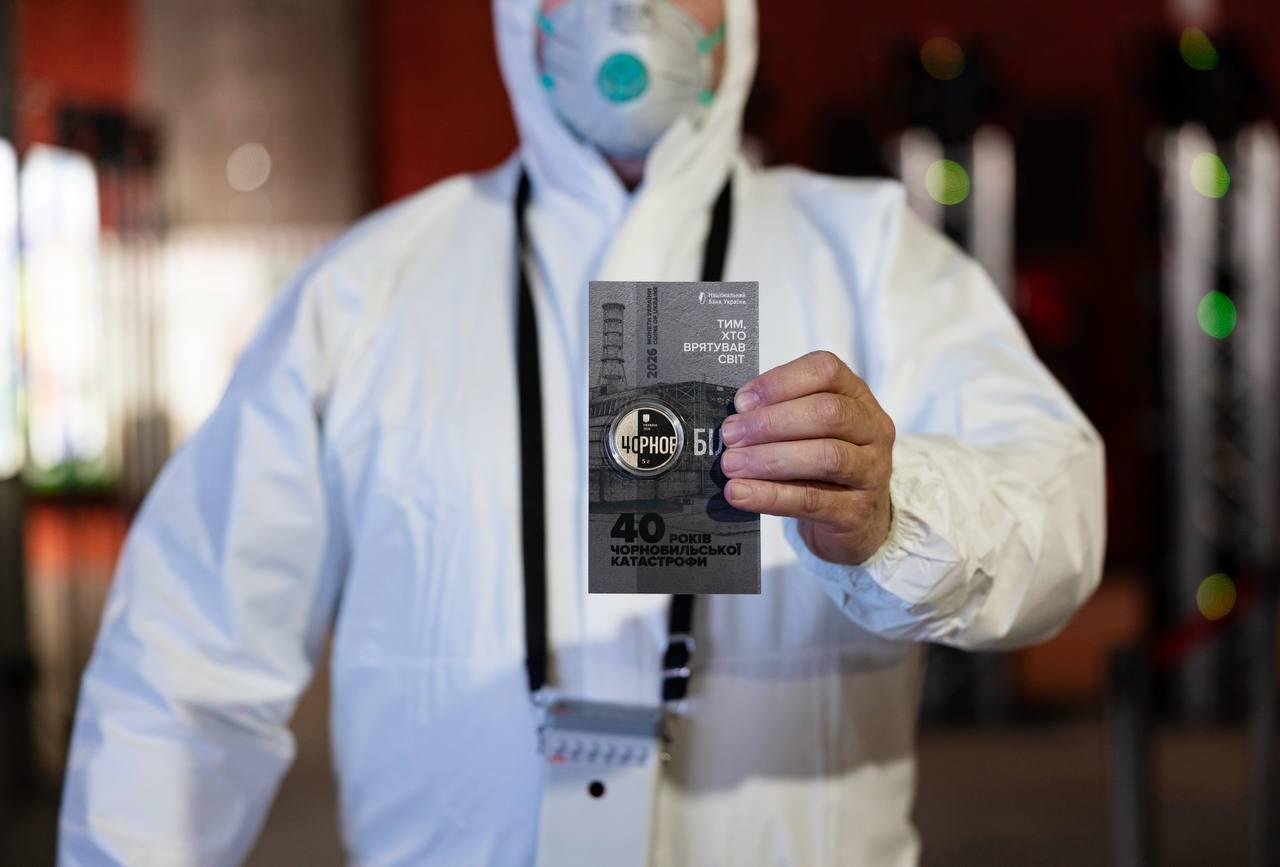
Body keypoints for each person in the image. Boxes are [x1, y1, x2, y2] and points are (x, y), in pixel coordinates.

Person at [58, 0, 1106, 864]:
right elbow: (186, 658)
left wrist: (893, 512)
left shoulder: (869, 257)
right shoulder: (369, 293)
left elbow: (1057, 513)